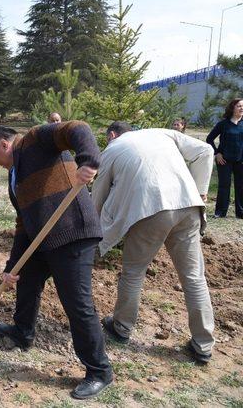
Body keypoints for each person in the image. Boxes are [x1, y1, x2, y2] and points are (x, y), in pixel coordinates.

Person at [0, 122, 113, 400]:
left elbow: (78, 129)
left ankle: (99, 371)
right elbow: (23, 223)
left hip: (73, 233)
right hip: (43, 239)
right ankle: (22, 332)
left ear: (4, 144)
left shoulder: (35, 140)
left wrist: (88, 160)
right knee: (26, 281)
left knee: (77, 302)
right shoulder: (15, 175)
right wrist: (12, 267)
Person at [92, 122, 215, 365]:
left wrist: (93, 228)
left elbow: (98, 194)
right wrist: (200, 190)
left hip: (149, 211)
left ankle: (122, 327)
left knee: (134, 272)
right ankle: (203, 345)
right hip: (188, 205)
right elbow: (206, 151)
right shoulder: (163, 133)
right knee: (193, 277)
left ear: (112, 135)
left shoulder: (112, 149)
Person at [206, 98, 243, 218]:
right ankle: (220, 212)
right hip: (224, 160)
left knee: (241, 185)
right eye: (239, 106)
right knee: (224, 185)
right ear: (232, 108)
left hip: (240, 160)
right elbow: (209, 139)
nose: (242, 108)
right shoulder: (223, 124)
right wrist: (217, 153)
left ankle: (240, 212)